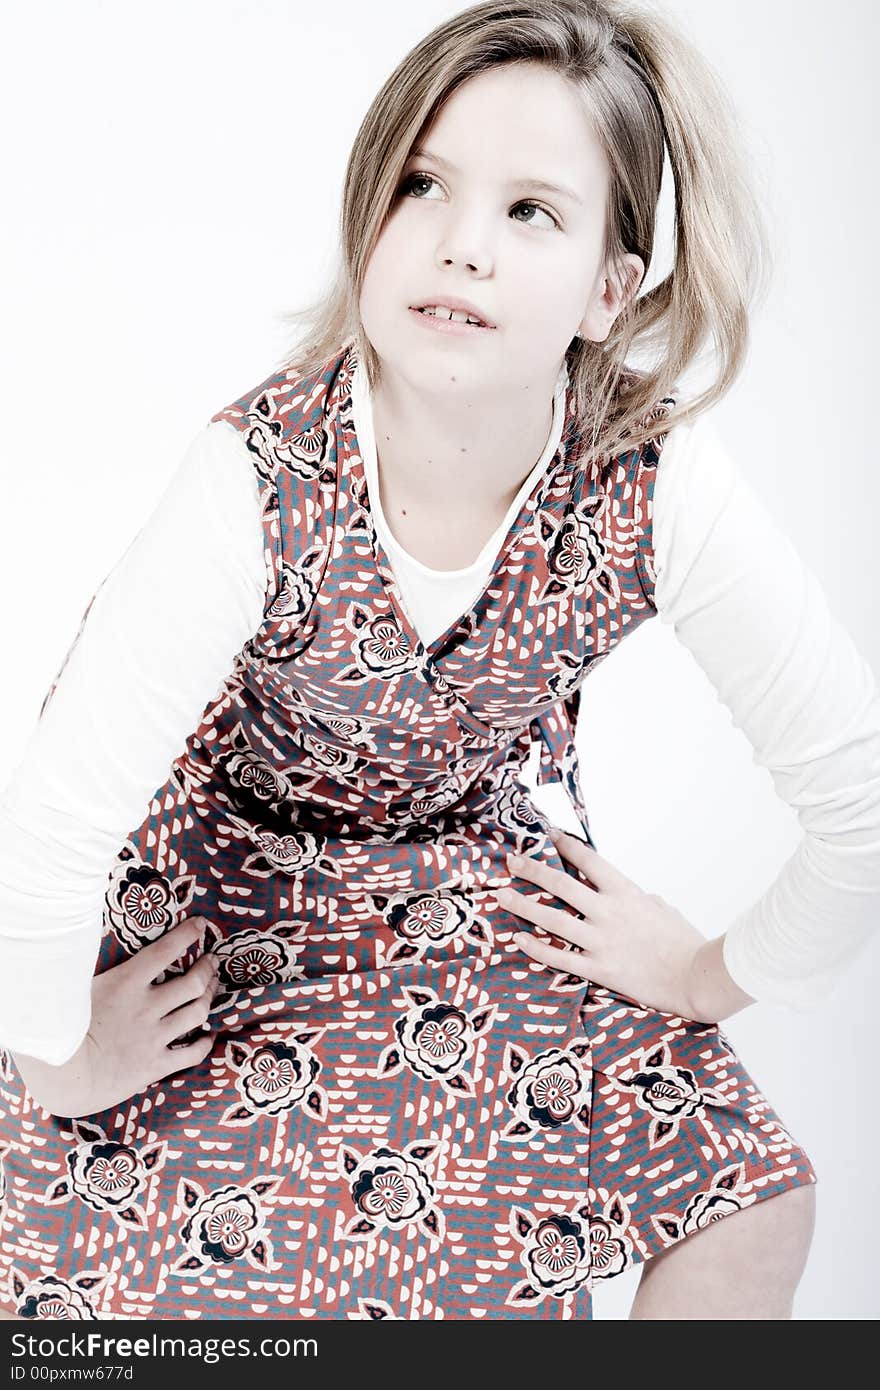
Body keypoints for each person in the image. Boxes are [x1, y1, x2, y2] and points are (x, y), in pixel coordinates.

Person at [0, 0, 876, 1321]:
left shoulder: (655, 483)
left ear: (607, 288)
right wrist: (57, 1056)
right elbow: (52, 818)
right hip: (217, 901)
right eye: (422, 185)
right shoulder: (254, 476)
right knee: (202, 1287)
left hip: (474, 883)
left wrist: (711, 974)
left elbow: (860, 798)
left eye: (531, 210)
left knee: (756, 1207)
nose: (463, 245)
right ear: (369, 220)